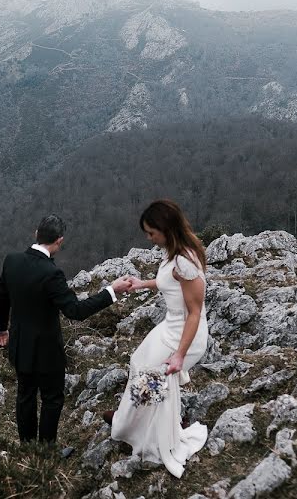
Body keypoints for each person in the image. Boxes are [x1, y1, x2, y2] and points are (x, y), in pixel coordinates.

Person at [0, 214, 131, 449]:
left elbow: (1, 297)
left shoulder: (11, 260)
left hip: (20, 345)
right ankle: (45, 453)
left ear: (36, 234)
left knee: (25, 396)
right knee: (51, 399)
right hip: (46, 351)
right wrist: (111, 291)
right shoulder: (51, 273)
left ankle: (27, 448)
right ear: (59, 241)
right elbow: (75, 311)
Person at [106, 199, 209, 478]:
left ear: (166, 229)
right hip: (170, 326)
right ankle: (129, 424)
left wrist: (179, 355)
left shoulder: (185, 262)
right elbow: (168, 283)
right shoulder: (171, 252)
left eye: (152, 233)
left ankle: (150, 438)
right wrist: (143, 284)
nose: (149, 238)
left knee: (154, 377)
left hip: (186, 335)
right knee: (140, 362)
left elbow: (195, 313)